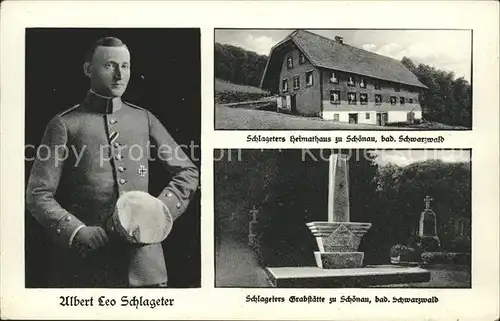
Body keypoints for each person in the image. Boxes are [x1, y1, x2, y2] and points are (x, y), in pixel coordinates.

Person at [25, 37, 199, 288]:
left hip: (146, 268)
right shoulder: (65, 124)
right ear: (88, 70)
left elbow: (188, 171)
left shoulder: (144, 119)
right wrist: (76, 231)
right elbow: (38, 193)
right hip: (87, 268)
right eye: (110, 65)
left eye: (125, 66)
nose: (120, 75)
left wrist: (158, 213)